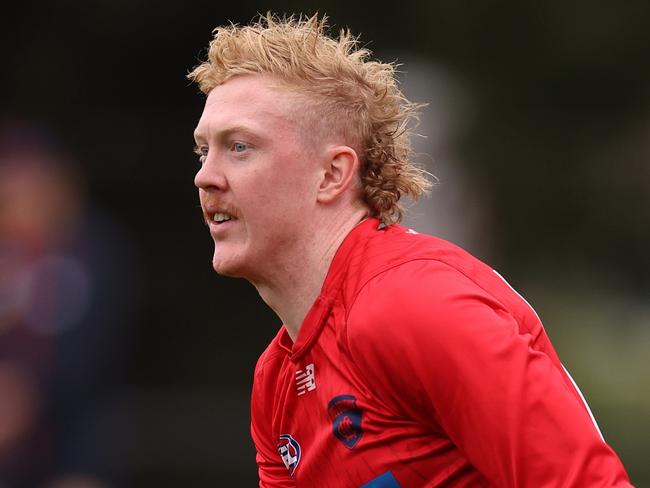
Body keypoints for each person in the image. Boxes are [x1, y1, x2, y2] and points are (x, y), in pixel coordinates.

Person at [189, 14, 633, 487]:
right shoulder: (277, 381)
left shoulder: (412, 305)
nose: (205, 177)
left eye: (239, 147)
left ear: (332, 175)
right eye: (203, 151)